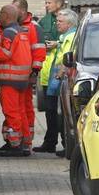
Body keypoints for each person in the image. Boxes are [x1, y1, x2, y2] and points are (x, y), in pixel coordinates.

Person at [34, 8, 78, 156]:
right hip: (53, 78)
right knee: (52, 112)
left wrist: (60, 74)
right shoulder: (64, 36)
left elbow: (67, 57)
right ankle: (52, 142)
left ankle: (66, 145)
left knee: (59, 114)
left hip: (60, 78)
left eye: (60, 22)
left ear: (69, 23)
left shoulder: (70, 37)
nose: (57, 24)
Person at [0, 4, 33, 157]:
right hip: (22, 79)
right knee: (21, 111)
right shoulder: (22, 31)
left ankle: (15, 145)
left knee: (11, 112)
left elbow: (4, 53)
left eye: (0, 14)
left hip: (10, 79)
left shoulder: (9, 32)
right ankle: (24, 144)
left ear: (7, 15)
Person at [13, 0, 46, 153]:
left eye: (15, 9)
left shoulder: (34, 27)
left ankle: (27, 140)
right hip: (15, 76)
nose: (13, 12)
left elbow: (39, 51)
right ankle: (20, 138)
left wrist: (35, 72)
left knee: (26, 107)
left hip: (27, 75)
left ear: (23, 10)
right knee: (17, 108)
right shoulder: (14, 26)